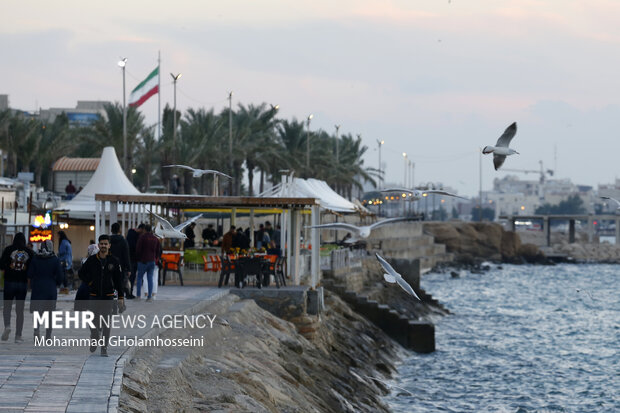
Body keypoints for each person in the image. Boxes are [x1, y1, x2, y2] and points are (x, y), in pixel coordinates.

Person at [78, 234, 125, 356]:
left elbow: (119, 281)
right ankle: (94, 337)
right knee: (93, 321)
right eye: (101, 244)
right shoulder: (92, 260)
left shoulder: (114, 261)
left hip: (108, 296)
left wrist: (120, 298)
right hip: (94, 295)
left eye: (105, 244)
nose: (103, 246)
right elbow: (81, 273)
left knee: (106, 323)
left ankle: (104, 348)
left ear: (109, 245)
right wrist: (90, 282)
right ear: (98, 245)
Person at [0, 233, 33, 343]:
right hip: (22, 283)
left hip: (9, 282)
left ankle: (7, 326)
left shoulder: (8, 249)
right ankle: (18, 336)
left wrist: (8, 268)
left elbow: (1, 264)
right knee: (20, 310)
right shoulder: (29, 251)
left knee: (7, 307)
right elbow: (33, 266)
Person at [28, 239, 63, 340]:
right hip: (50, 289)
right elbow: (60, 276)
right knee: (50, 313)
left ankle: (36, 330)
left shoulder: (35, 258)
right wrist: (56, 283)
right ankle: (48, 335)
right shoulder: (55, 259)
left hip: (37, 288)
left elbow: (30, 274)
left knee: (37, 312)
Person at [135, 224, 161, 301]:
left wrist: (138, 258)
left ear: (145, 230)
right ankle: (149, 297)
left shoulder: (142, 238)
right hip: (152, 261)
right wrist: (155, 258)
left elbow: (138, 249)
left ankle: (138, 296)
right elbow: (158, 251)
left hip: (142, 261)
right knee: (150, 278)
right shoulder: (155, 239)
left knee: (139, 278)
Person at [109, 223, 131, 298]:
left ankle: (113, 294)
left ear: (111, 230)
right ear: (119, 230)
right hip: (121, 266)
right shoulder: (123, 241)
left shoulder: (107, 241)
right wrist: (128, 268)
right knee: (119, 281)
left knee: (110, 280)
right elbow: (126, 255)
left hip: (109, 265)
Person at [126, 224, 145, 298]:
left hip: (132, 259)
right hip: (132, 259)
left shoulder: (132, 234)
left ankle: (129, 292)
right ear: (141, 229)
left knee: (131, 277)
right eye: (143, 231)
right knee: (131, 276)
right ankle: (129, 293)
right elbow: (134, 247)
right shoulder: (133, 235)